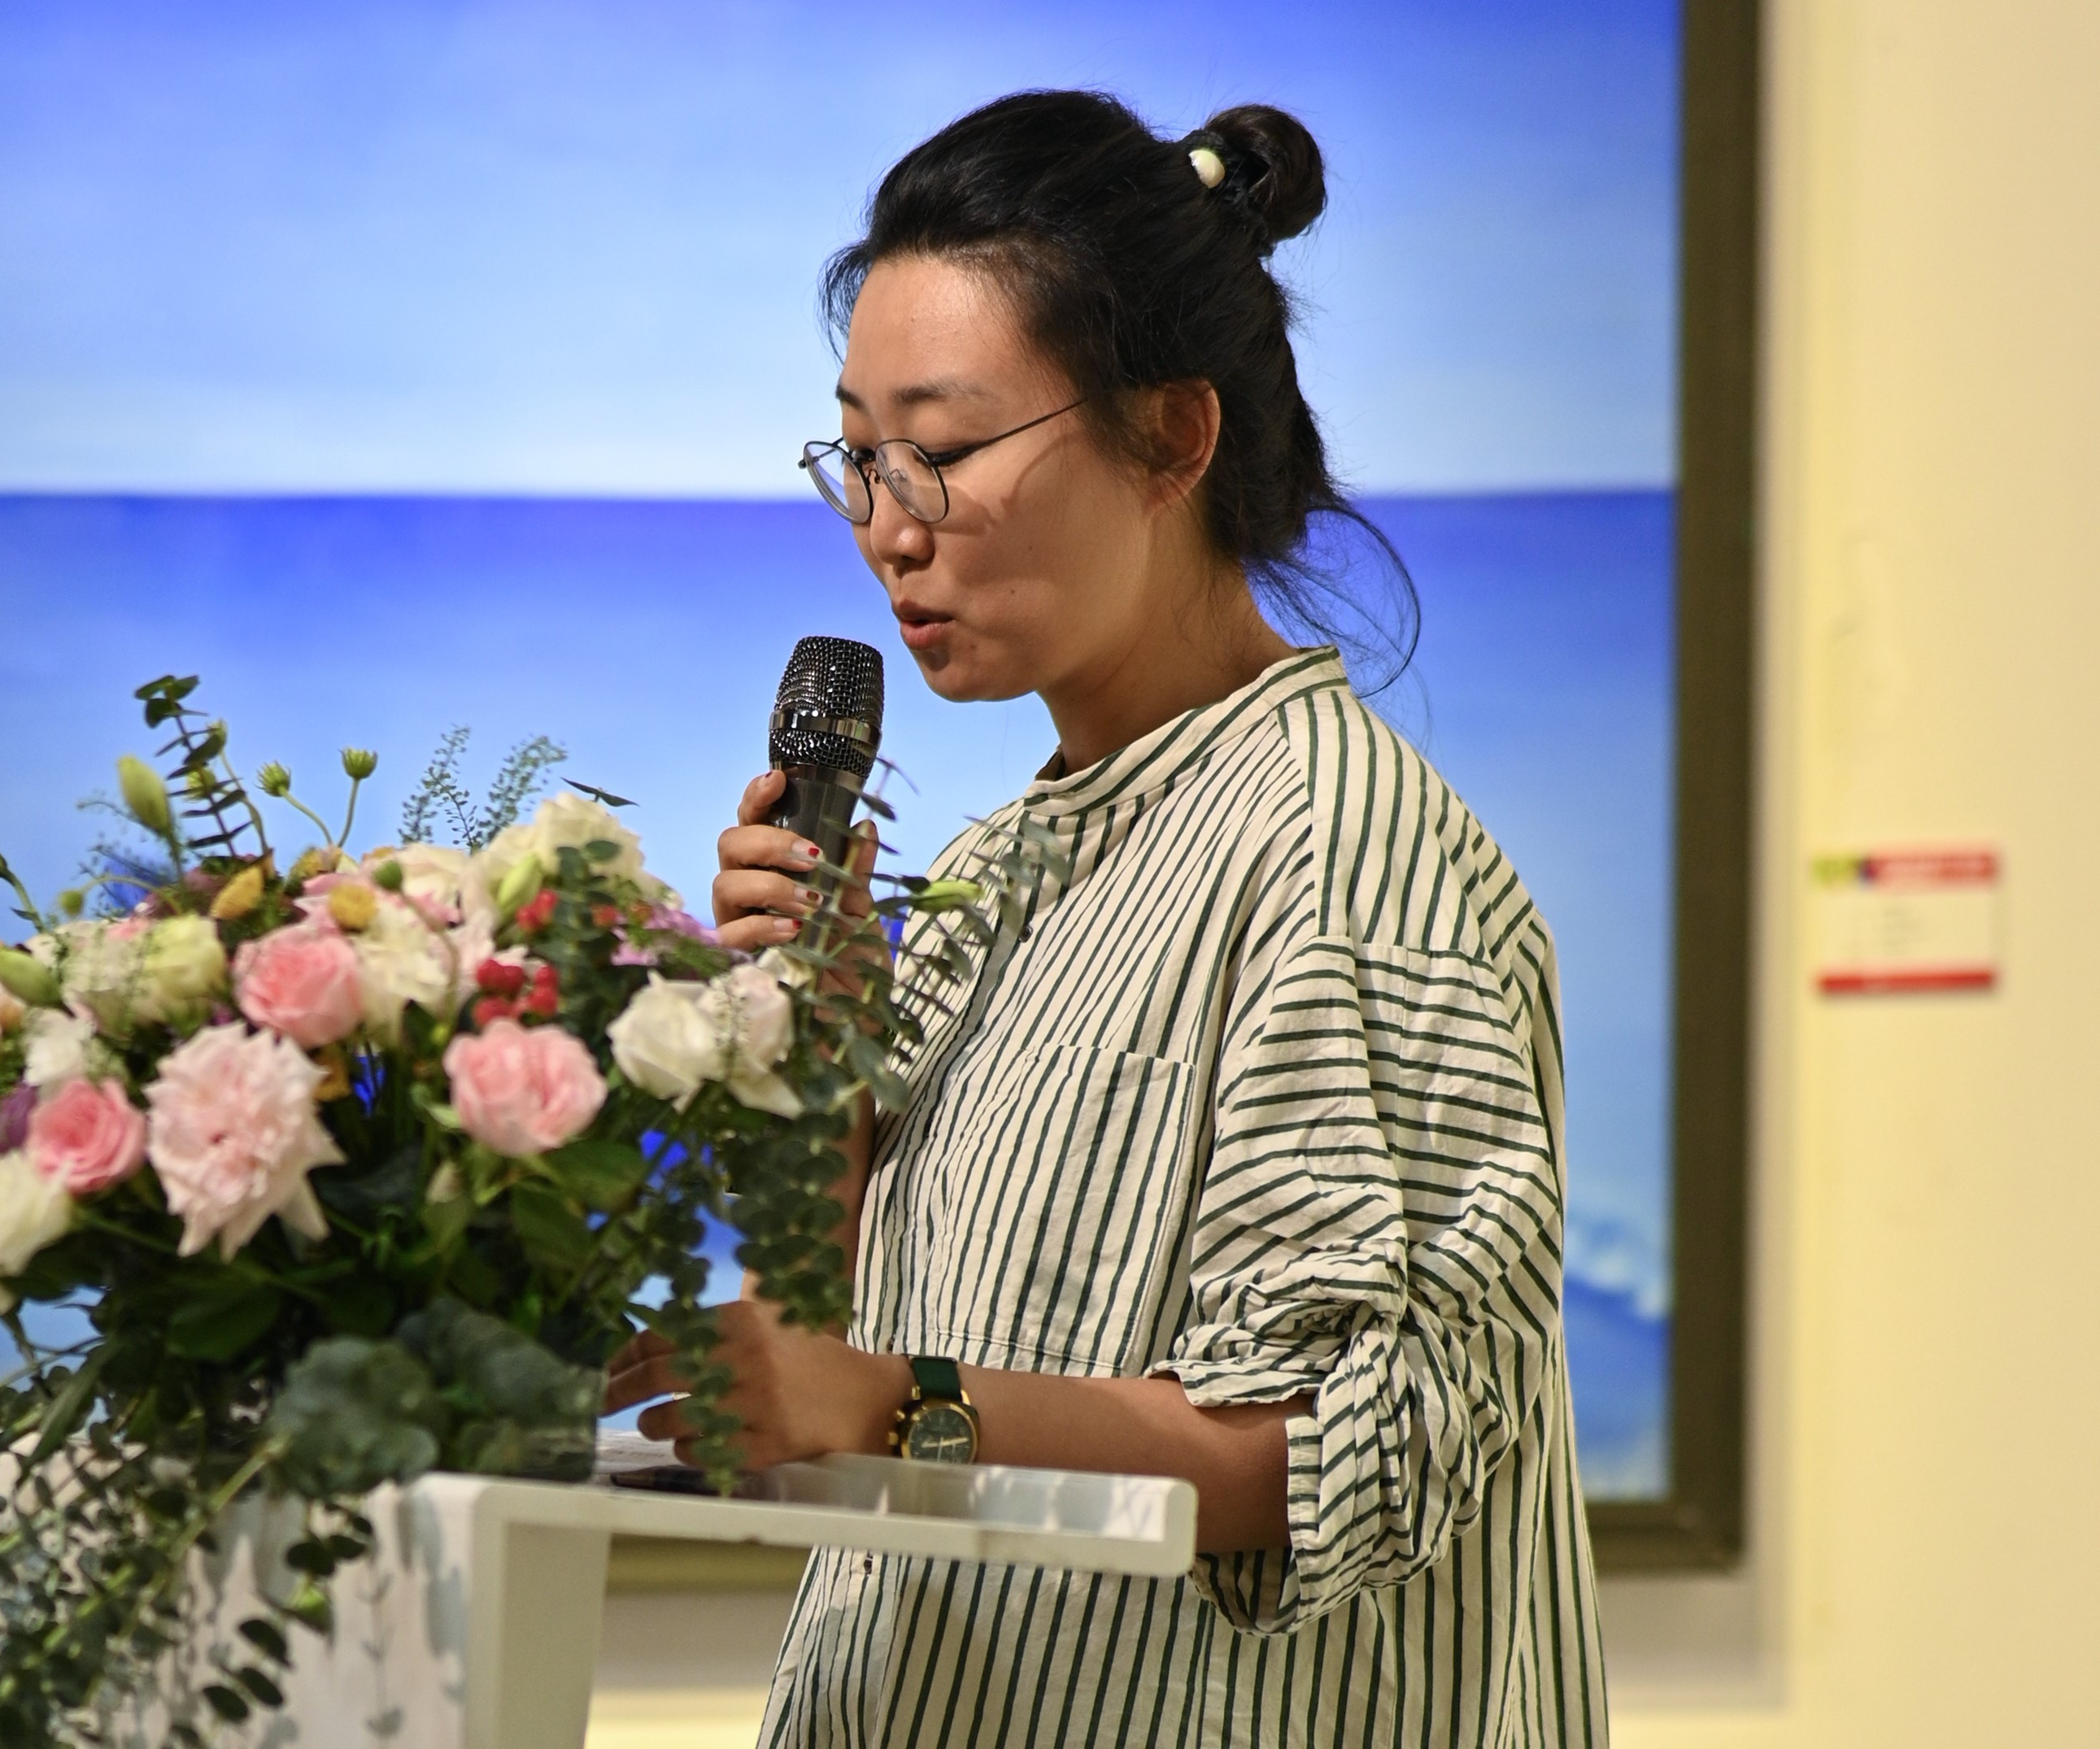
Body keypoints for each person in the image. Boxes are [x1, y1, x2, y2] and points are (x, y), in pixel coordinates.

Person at [602, 92, 1607, 1747]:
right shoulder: (1002, 862)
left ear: (1174, 437)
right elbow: (850, 1330)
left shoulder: (1342, 851)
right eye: (859, 455)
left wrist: (906, 1403)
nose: (886, 526)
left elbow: (1352, 1449)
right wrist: (826, 1048)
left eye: (942, 451)